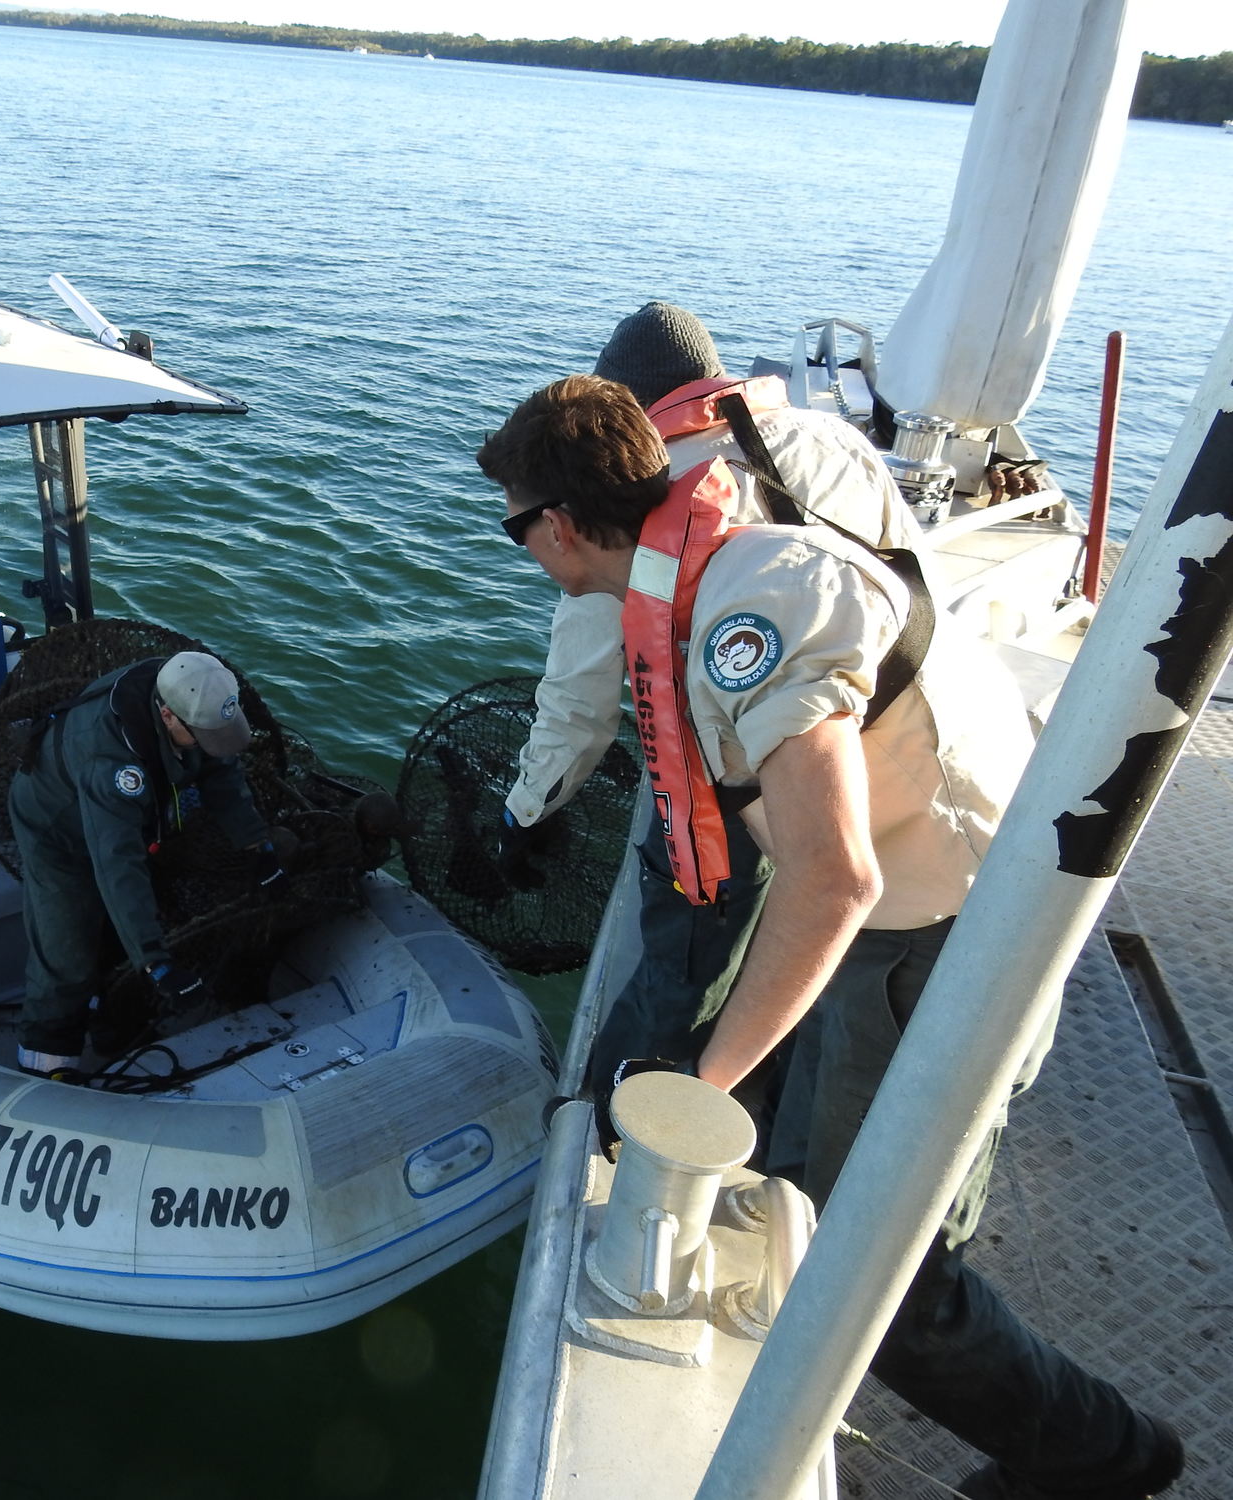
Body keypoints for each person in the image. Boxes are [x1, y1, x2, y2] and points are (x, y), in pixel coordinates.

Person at [475, 375, 1182, 1500]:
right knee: (801, 1168)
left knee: (875, 1267)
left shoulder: (747, 621)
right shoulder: (740, 515)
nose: (519, 548)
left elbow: (832, 878)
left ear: (558, 526)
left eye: (513, 527)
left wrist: (699, 1087)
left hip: (946, 932)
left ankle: (1101, 1456)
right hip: (933, 871)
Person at [502, 302, 926, 1101]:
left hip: (738, 776)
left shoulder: (635, 508)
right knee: (828, 939)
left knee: (687, 950)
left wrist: (525, 812)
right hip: (864, 760)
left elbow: (579, 705)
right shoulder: (827, 435)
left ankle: (639, 1107)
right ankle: (763, 1061)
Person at [8, 650, 283, 1079]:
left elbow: (221, 770)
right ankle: (45, 1067)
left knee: (121, 932)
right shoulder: (111, 763)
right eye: (205, 734)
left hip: (127, 817)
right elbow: (118, 867)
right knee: (66, 951)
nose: (215, 741)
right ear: (169, 717)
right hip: (56, 827)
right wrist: (157, 962)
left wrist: (257, 845)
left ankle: (107, 1016)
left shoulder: (188, 690)